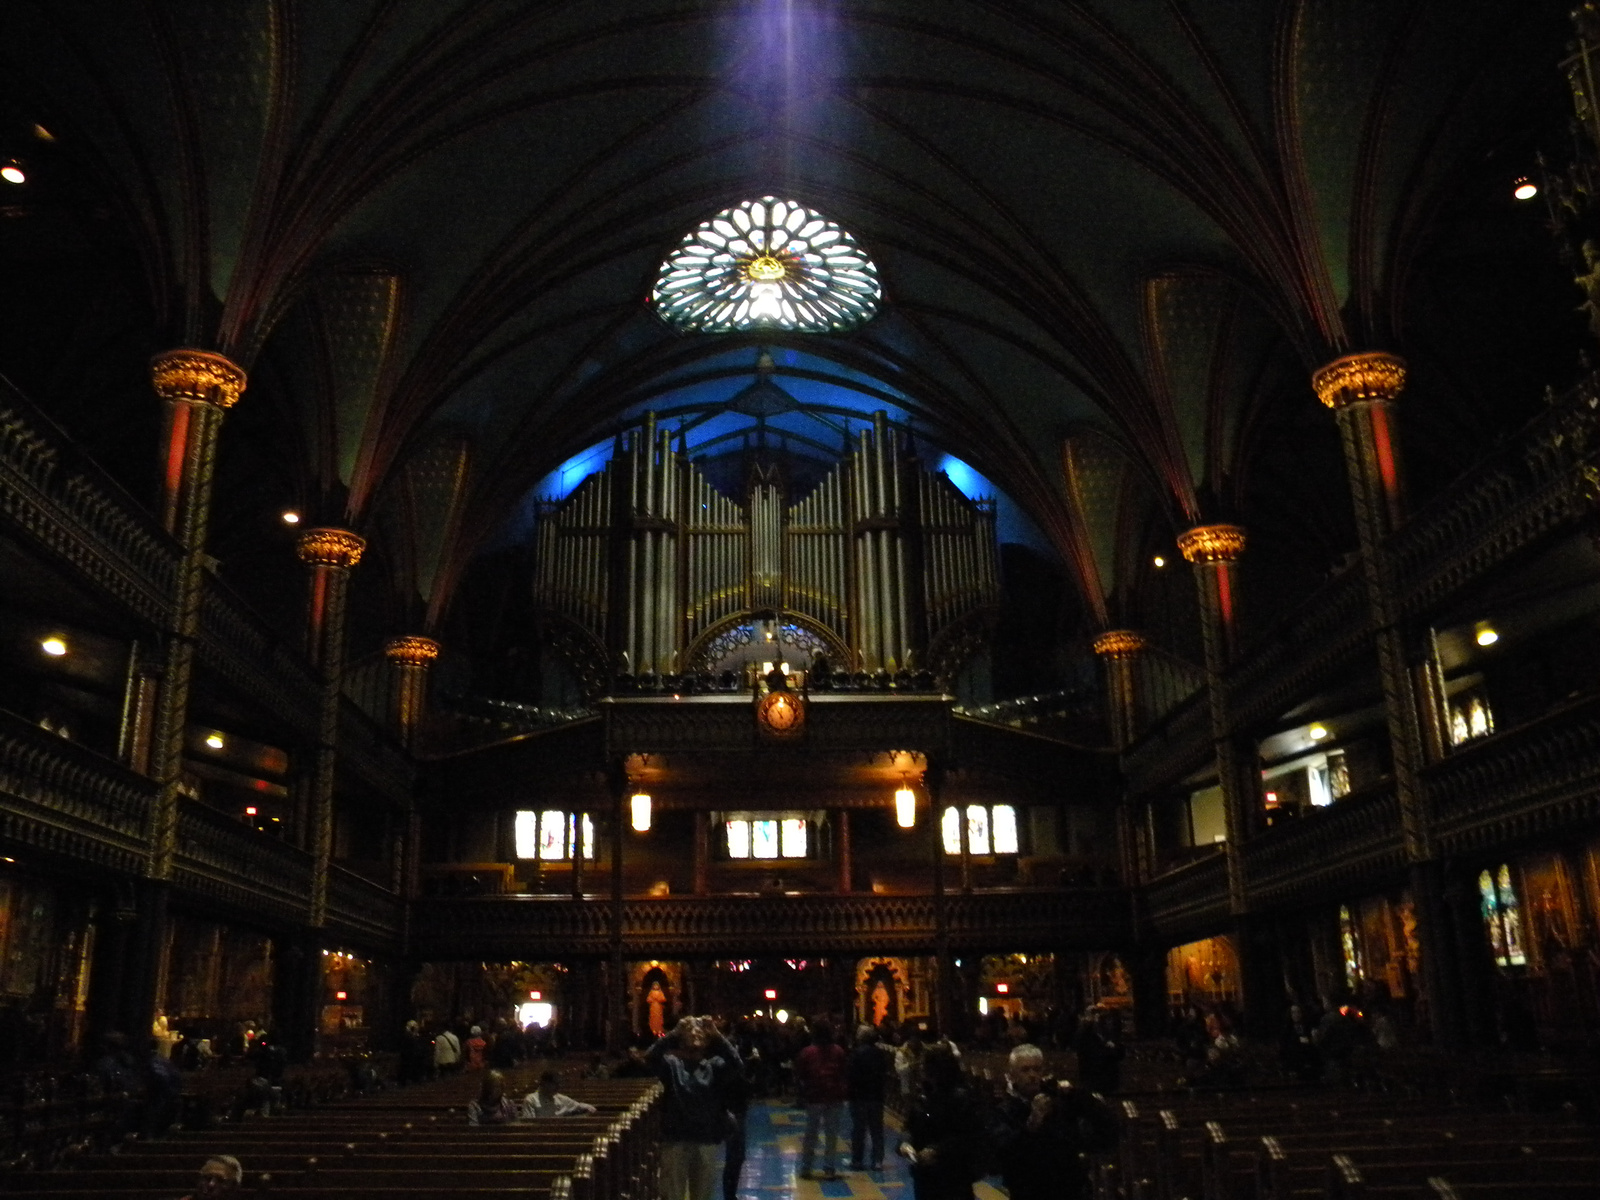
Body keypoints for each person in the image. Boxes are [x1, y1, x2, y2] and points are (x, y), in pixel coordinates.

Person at [988, 1043, 1117, 1200]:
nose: (1032, 1075)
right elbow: (1003, 1156)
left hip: (1068, 1190)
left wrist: (1077, 1096)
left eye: (1037, 1069)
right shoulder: (1002, 1111)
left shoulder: (1058, 1103)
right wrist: (1031, 1126)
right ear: (1012, 1075)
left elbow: (1107, 1132)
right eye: (1025, 1070)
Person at [647, 1014, 743, 1200]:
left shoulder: (713, 1067)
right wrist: (673, 1033)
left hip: (705, 1138)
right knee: (672, 1194)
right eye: (690, 1032)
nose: (695, 1034)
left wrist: (717, 1035)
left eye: (700, 1033)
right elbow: (650, 1057)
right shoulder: (672, 1065)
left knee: (703, 1194)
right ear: (681, 1040)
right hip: (676, 1139)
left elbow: (736, 1065)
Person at [898, 1042, 983, 1200]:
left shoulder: (961, 1097)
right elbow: (910, 1126)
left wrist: (937, 1150)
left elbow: (968, 1136)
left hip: (953, 1177)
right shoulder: (924, 1095)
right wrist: (905, 1143)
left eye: (924, 1064)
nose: (920, 1068)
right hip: (925, 1177)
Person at [794, 1018, 848, 1180]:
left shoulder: (807, 1052)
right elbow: (844, 1073)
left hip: (814, 1097)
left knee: (811, 1133)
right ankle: (829, 1167)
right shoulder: (838, 1051)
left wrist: (803, 1093)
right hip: (835, 1097)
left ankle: (806, 1167)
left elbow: (800, 1074)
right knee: (831, 1134)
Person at [847, 1024, 890, 1171]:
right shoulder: (879, 1053)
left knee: (859, 1130)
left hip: (859, 1096)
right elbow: (884, 1073)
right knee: (876, 1129)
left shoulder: (856, 1053)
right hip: (876, 1096)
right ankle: (877, 1160)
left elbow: (851, 1075)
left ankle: (857, 1160)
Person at [523, 1069, 598, 1117]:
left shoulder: (560, 1098)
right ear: (544, 1083)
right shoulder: (531, 1100)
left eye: (559, 1084)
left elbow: (578, 1105)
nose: (558, 1087)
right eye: (555, 1084)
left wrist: (589, 1108)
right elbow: (529, 1124)